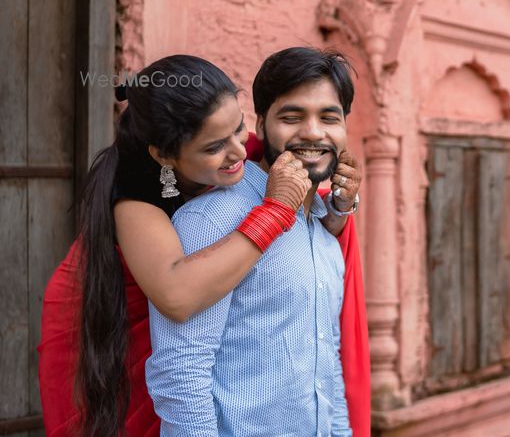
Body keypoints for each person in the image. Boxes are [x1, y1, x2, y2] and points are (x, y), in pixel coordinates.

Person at [37, 55, 364, 437]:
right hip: (134, 352)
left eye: (238, 130)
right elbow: (177, 303)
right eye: (214, 147)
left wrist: (338, 209)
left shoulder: (251, 156)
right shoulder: (143, 201)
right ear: (165, 156)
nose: (240, 152)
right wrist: (275, 212)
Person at [146, 47, 367, 436]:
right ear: (261, 125)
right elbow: (181, 370)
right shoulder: (211, 218)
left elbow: (327, 367)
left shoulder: (327, 232)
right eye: (292, 116)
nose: (314, 132)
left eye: (329, 118)